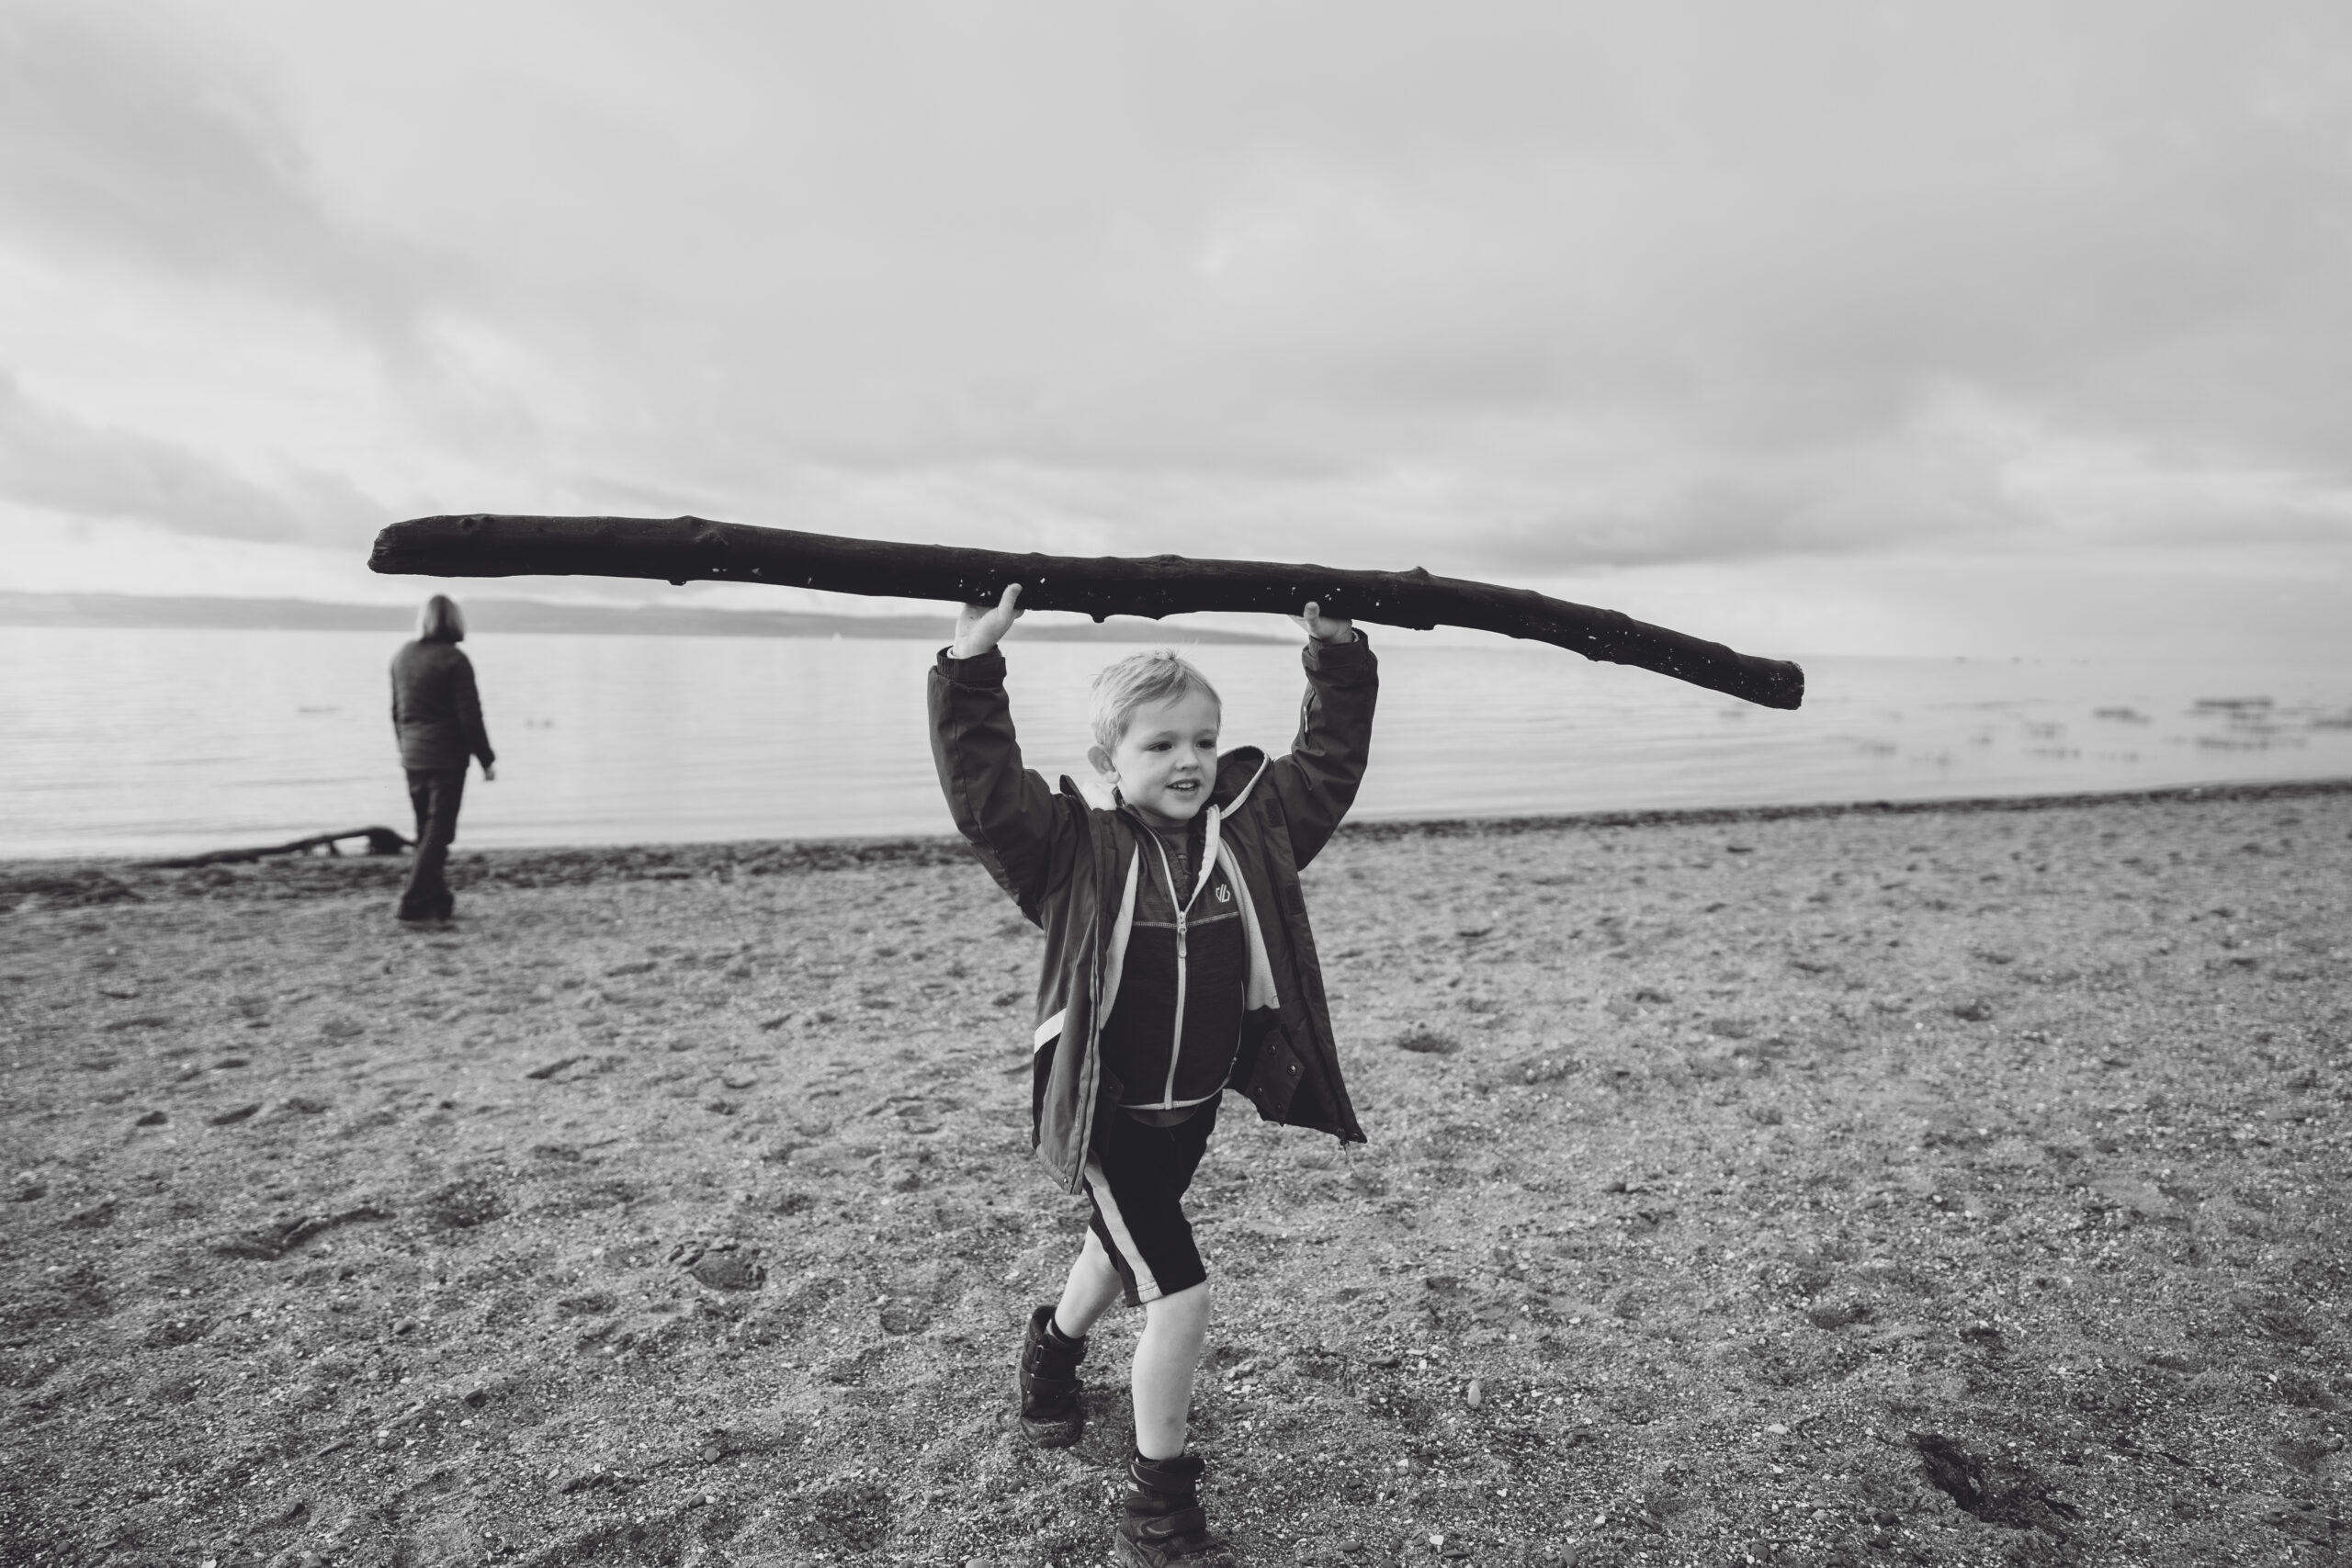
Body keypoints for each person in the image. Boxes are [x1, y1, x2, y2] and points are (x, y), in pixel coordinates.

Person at [928, 583, 1374, 1565]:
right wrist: (970, 667)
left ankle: (1051, 1350)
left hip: (1195, 1104)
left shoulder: (1251, 831)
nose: (1189, 761)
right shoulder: (1070, 850)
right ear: (1108, 762)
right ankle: (1158, 1497)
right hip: (1105, 1110)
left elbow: (1328, 767)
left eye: (1203, 741)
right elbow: (984, 790)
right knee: (1179, 1294)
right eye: (1161, 743)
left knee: (1122, 1242)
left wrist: (1338, 655)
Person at [390, 594, 495, 924]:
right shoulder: (454, 659)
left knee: (427, 833)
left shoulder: (403, 655)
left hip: (413, 756)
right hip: (446, 758)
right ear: (454, 621)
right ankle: (411, 905)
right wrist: (486, 759)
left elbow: (396, 712)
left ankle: (438, 902)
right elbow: (470, 716)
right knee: (439, 834)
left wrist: (404, 749)